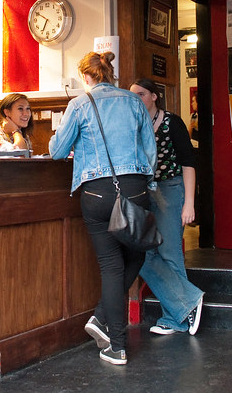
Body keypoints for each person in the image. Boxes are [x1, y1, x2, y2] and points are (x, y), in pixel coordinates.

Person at [49, 51, 156, 366]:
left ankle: (116, 345)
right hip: (135, 188)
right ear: (110, 73)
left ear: (86, 76)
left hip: (97, 192)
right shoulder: (135, 102)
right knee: (137, 254)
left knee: (111, 267)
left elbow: (57, 151)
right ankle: (101, 320)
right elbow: (149, 151)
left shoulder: (80, 104)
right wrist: (146, 185)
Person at [128, 78, 204, 336]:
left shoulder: (172, 122)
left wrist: (189, 204)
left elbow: (188, 163)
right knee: (141, 253)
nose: (136, 98)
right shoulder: (134, 125)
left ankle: (175, 318)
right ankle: (188, 302)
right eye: (132, 95)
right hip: (142, 191)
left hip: (170, 190)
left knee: (170, 252)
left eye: (140, 94)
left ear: (154, 96)